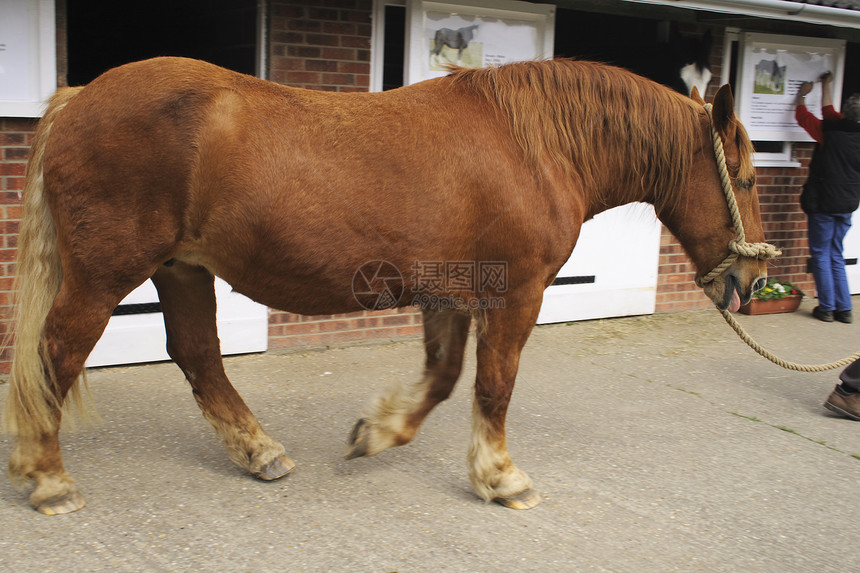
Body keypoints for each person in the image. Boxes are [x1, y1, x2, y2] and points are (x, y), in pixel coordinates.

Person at [795, 72, 860, 324]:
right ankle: (844, 309)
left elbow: (802, 117)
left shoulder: (828, 132)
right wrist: (826, 86)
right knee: (836, 253)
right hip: (847, 203)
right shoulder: (846, 130)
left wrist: (802, 94)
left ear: (845, 112)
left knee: (821, 253)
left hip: (823, 202)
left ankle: (826, 307)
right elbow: (829, 111)